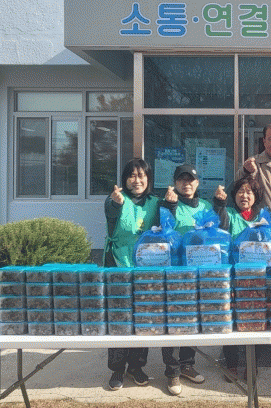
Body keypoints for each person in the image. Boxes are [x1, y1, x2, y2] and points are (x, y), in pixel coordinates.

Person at [103, 158, 159, 391]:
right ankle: (117, 368)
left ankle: (136, 366)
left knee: (142, 316)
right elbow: (110, 211)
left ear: (148, 179)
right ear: (125, 179)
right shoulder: (116, 198)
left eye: (141, 175)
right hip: (119, 263)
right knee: (119, 316)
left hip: (146, 266)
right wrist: (115, 203)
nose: (137, 180)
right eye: (132, 176)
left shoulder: (155, 202)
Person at [160, 164, 208, 395]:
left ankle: (187, 364)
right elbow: (162, 232)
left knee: (191, 319)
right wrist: (170, 207)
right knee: (173, 320)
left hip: (198, 273)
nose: (186, 183)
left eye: (191, 180)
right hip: (174, 273)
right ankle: (172, 371)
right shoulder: (167, 205)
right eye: (181, 179)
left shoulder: (206, 206)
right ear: (175, 182)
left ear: (197, 183)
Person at [213, 175, 265, 382]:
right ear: (234, 195)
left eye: (249, 192)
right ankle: (232, 363)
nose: (245, 196)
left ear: (256, 196)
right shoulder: (229, 215)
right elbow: (220, 225)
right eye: (241, 192)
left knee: (256, 319)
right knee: (231, 319)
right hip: (233, 278)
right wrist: (219, 204)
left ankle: (253, 364)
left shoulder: (262, 218)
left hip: (258, 279)